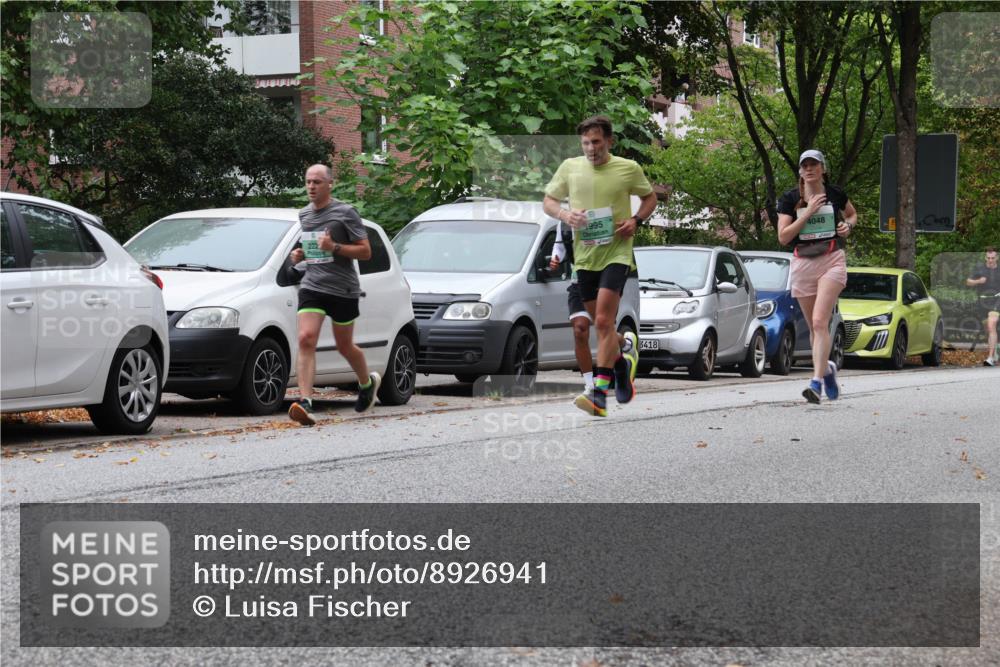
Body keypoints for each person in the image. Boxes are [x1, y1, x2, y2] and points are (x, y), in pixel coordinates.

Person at [543, 115, 657, 417]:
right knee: (602, 326)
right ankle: (623, 358)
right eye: (585, 143)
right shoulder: (570, 167)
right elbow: (549, 202)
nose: (591, 148)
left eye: (596, 142)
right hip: (585, 257)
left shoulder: (627, 169)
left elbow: (650, 197)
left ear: (609, 141)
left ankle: (599, 393)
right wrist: (567, 216)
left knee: (604, 322)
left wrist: (636, 220)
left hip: (617, 254)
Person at [287, 164, 380, 426]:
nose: (311, 187)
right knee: (306, 338)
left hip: (343, 288)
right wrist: (300, 255)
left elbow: (365, 252)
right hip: (313, 284)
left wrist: (334, 246)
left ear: (330, 184)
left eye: (317, 182)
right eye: (308, 182)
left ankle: (366, 383)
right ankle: (306, 402)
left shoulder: (345, 213)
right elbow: (313, 247)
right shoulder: (304, 215)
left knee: (344, 346)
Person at [777, 149, 857, 403]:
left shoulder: (834, 194)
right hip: (803, 263)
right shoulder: (790, 199)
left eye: (814, 165)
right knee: (814, 327)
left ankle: (815, 381)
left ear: (823, 168)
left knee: (821, 321)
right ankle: (828, 369)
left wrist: (848, 226)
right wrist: (809, 211)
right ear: (800, 171)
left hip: (832, 259)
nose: (809, 169)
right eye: (805, 166)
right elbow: (783, 237)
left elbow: (853, 214)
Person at [965, 246, 1000, 366]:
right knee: (989, 329)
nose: (990, 260)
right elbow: (968, 282)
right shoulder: (980, 269)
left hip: (997, 300)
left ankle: (990, 357)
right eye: (988, 258)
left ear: (997, 257)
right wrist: (978, 281)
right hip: (982, 302)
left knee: (991, 324)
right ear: (985, 257)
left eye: (993, 258)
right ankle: (996, 349)